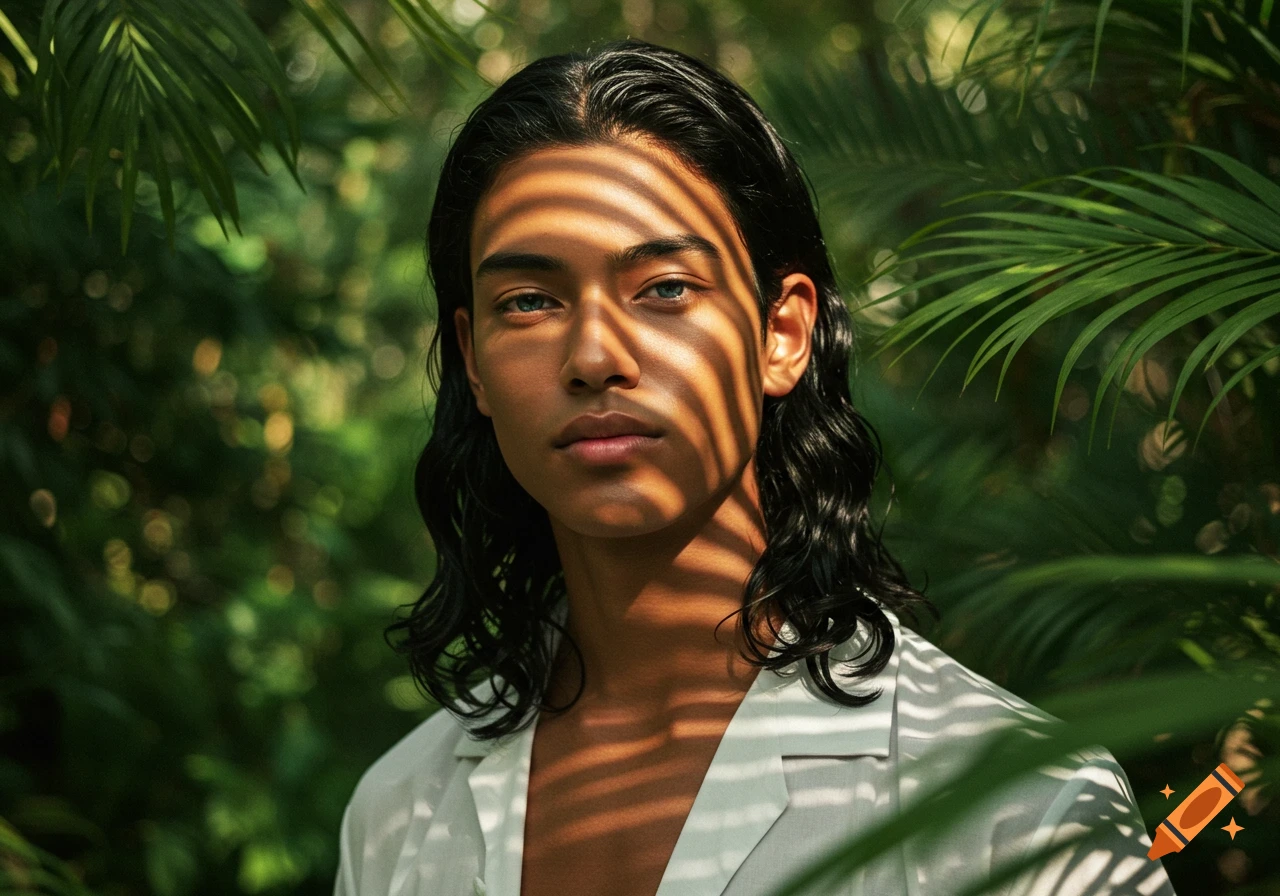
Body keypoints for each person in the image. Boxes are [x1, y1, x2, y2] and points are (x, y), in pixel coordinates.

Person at [334, 38, 1176, 896]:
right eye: (530, 301)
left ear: (782, 333)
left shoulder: (1012, 804)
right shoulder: (401, 814)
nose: (593, 355)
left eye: (664, 288)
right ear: (473, 359)